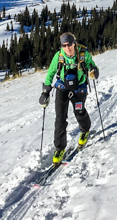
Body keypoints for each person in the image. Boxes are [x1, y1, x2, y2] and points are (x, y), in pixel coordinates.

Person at [39, 32, 99, 164]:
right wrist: (46, 92)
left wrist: (93, 71)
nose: (67, 48)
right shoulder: (59, 56)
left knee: (79, 111)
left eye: (69, 44)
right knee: (60, 118)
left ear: (74, 43)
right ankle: (60, 148)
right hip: (62, 88)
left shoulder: (83, 55)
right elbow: (51, 72)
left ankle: (85, 129)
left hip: (79, 88)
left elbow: (92, 66)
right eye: (64, 45)